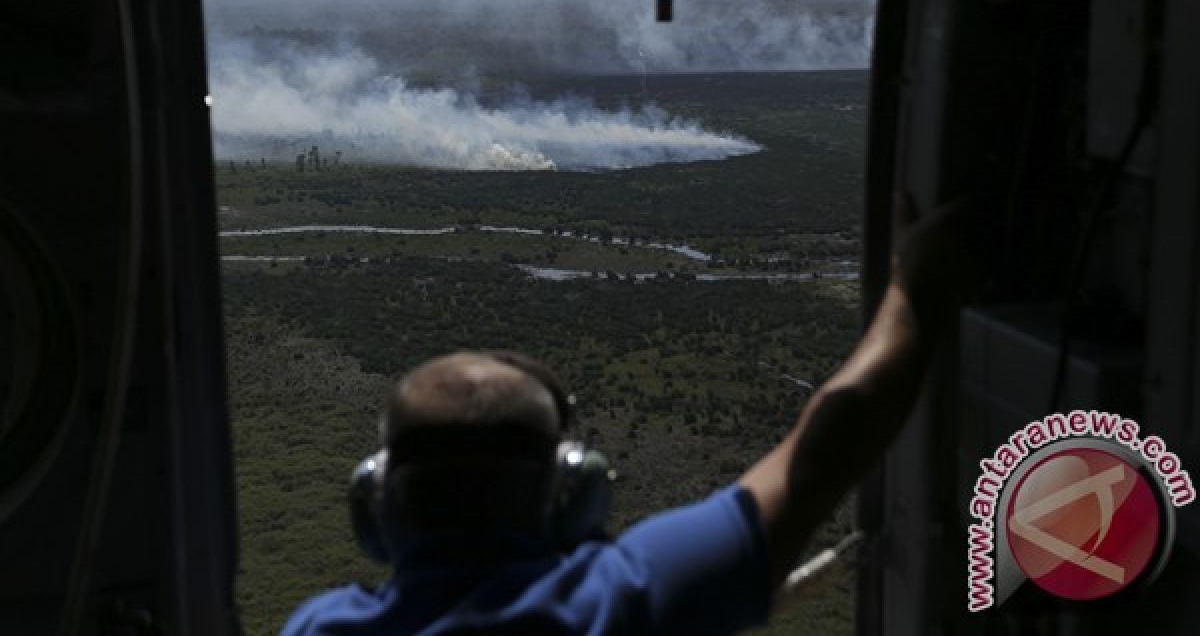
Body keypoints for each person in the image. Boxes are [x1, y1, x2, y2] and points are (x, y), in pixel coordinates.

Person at [281, 196, 975, 635]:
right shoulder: (628, 597)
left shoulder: (319, 626)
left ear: (375, 498)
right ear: (573, 489)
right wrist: (917, 281)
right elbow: (826, 449)